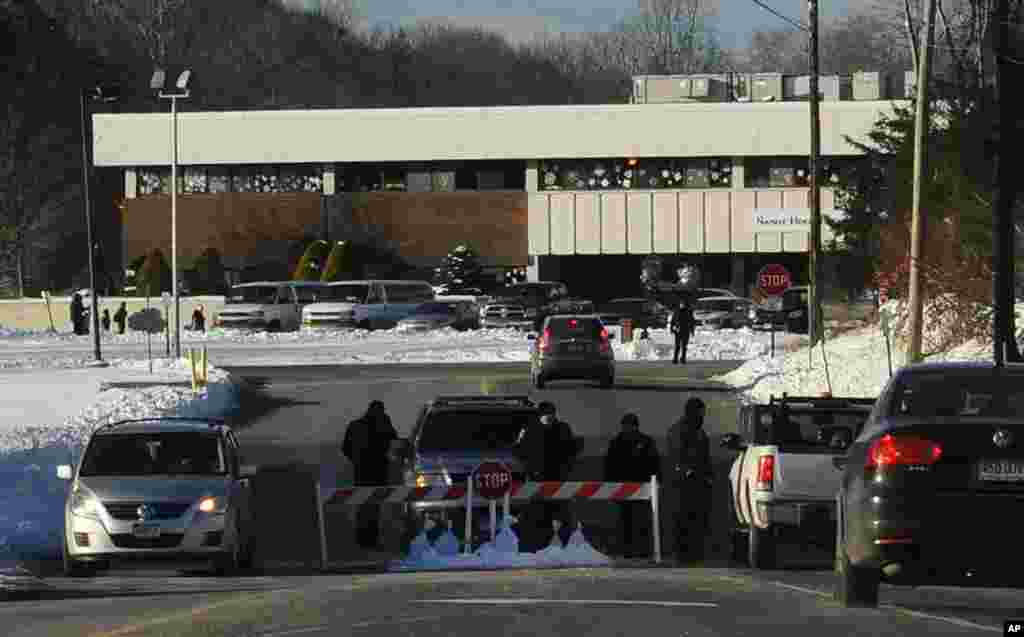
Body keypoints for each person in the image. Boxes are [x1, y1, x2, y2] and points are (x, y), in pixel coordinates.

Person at [515, 401, 582, 548]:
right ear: (539, 415)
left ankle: (564, 546)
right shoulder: (530, 430)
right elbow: (518, 451)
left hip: (559, 480)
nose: (548, 416)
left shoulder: (563, 429)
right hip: (536, 481)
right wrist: (530, 467)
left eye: (551, 413)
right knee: (537, 516)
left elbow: (573, 449)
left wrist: (567, 468)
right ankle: (537, 546)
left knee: (562, 516)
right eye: (545, 413)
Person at [341, 400, 398, 549]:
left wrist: (355, 460)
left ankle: (362, 539)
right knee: (373, 506)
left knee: (363, 505)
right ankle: (371, 539)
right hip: (378, 470)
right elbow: (395, 439)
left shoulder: (354, 426)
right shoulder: (383, 423)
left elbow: (345, 448)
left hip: (361, 471)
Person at [603, 413, 662, 557]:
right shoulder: (616, 442)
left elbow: (655, 463)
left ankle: (643, 551)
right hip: (623, 489)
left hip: (643, 488)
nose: (628, 428)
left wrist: (657, 482)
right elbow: (609, 466)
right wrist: (611, 487)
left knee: (642, 521)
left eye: (631, 425)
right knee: (626, 521)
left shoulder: (646, 442)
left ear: (636, 426)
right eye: (626, 426)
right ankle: (628, 551)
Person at [667, 397, 713, 564]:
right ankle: (683, 555)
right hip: (683, 485)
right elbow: (677, 457)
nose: (702, 416)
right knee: (683, 519)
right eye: (700, 412)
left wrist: (708, 477)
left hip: (697, 484)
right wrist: (688, 472)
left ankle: (693, 554)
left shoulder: (699, 432)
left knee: (697, 521)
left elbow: (705, 458)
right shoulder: (680, 431)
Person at [670, 298, 695, 364]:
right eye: (681, 304)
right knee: (677, 346)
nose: (682, 305)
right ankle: (675, 359)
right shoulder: (676, 311)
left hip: (685, 331)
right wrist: (672, 329)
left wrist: (692, 331)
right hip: (678, 331)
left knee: (684, 346)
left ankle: (683, 359)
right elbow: (672, 321)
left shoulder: (689, 312)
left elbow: (692, 322)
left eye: (683, 304)